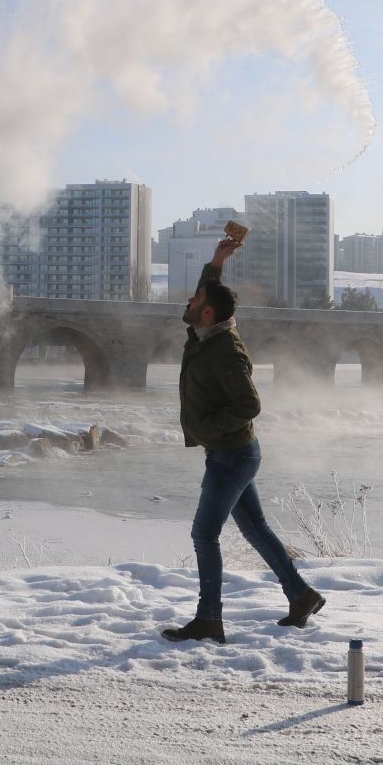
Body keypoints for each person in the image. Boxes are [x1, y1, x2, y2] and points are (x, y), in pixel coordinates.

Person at [161, 235, 325, 644]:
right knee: (255, 528)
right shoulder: (204, 334)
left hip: (232, 456)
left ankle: (209, 620)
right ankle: (301, 595)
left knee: (203, 534)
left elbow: (249, 404)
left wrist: (210, 429)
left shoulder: (224, 350)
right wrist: (216, 260)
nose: (188, 302)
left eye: (195, 299)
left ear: (207, 311)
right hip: (232, 453)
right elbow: (210, 292)